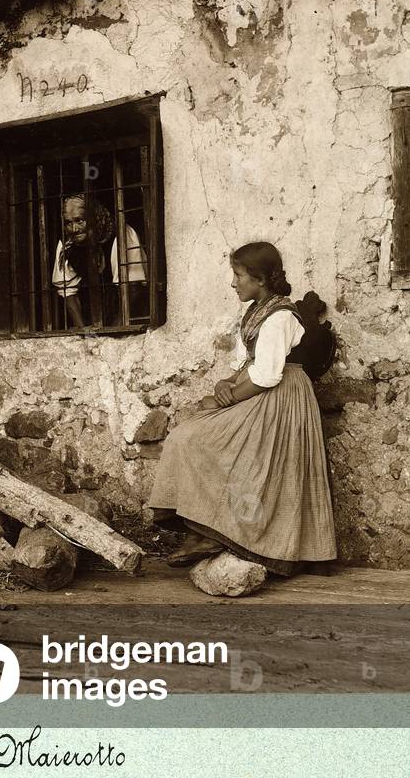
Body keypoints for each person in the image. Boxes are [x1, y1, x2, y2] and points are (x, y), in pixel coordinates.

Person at [148, 241, 336, 588]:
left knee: (205, 441)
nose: (234, 283)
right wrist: (225, 382)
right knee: (189, 437)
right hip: (259, 389)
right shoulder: (255, 312)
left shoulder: (279, 316)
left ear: (261, 279)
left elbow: (267, 375)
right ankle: (206, 529)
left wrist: (226, 399)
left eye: (239, 276)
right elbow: (247, 365)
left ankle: (218, 534)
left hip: (283, 397)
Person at [52, 193, 148, 328]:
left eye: (80, 220)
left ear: (94, 216)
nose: (74, 229)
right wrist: (83, 330)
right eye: (68, 222)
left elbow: (132, 288)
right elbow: (67, 290)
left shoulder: (120, 235)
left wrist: (114, 330)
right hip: (93, 316)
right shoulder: (67, 244)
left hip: (127, 315)